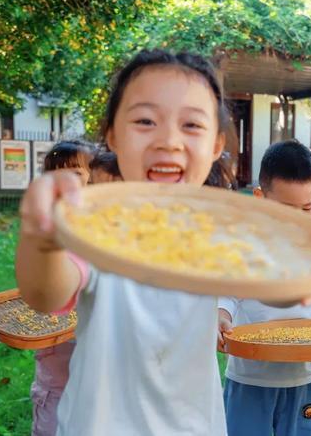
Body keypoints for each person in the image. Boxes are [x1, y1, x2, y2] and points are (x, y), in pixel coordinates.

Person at [16, 49, 241, 435]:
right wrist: (44, 239)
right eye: (145, 120)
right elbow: (46, 293)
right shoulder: (97, 225)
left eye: (191, 125)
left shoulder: (216, 231)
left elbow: (274, 285)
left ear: (216, 144)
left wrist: (306, 257)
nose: (169, 140)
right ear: (113, 136)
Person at [218, 140, 311, 436]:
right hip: (251, 377)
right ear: (261, 197)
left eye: (306, 208)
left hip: (305, 377)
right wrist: (221, 314)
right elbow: (230, 292)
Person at [30, 139, 95, 436]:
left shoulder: (101, 225)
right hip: (56, 359)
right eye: (55, 174)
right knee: (51, 418)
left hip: (94, 356)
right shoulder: (48, 224)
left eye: (74, 172)